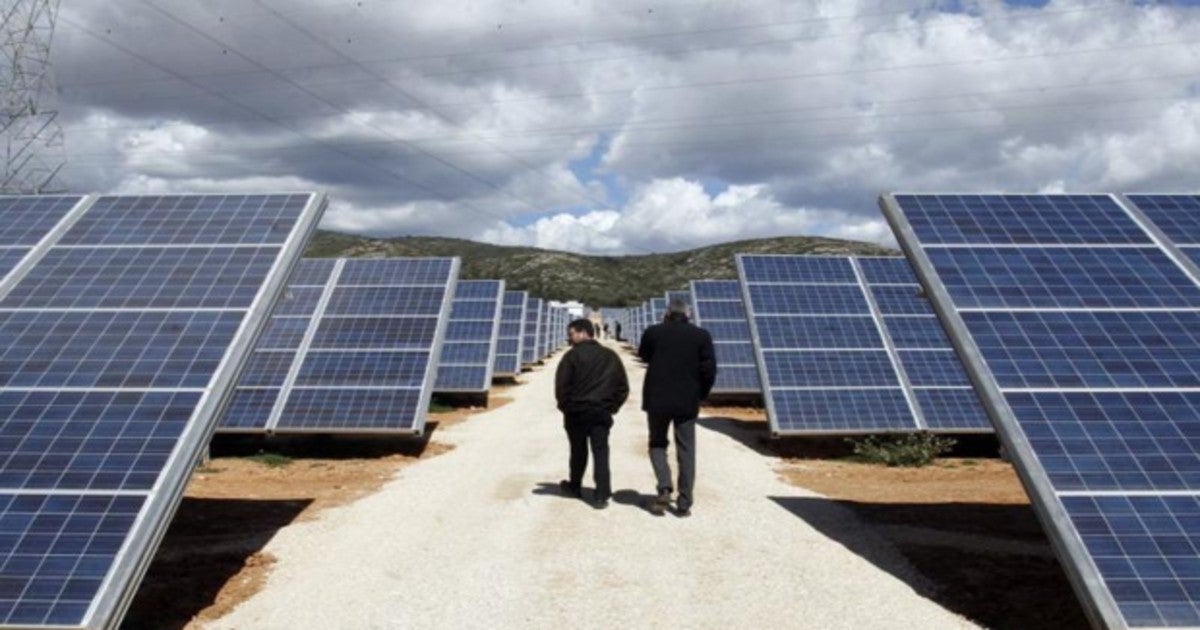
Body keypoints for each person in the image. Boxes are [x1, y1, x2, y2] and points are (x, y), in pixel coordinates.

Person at [637, 298, 716, 517]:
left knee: (657, 443)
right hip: (687, 401)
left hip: (657, 400)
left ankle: (664, 486)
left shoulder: (653, 332)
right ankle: (684, 502)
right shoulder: (701, 336)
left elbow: (643, 355)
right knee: (686, 450)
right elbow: (709, 370)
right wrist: (701, 394)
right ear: (688, 314)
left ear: (667, 313)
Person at [555, 318, 630, 509]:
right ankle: (601, 495)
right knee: (601, 452)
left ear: (583, 333)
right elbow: (622, 387)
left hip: (576, 414)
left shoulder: (571, 357)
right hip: (600, 413)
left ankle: (575, 486)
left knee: (578, 451)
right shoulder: (610, 356)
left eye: (571, 334)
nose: (569, 338)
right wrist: (611, 407)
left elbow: (561, 388)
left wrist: (567, 408)